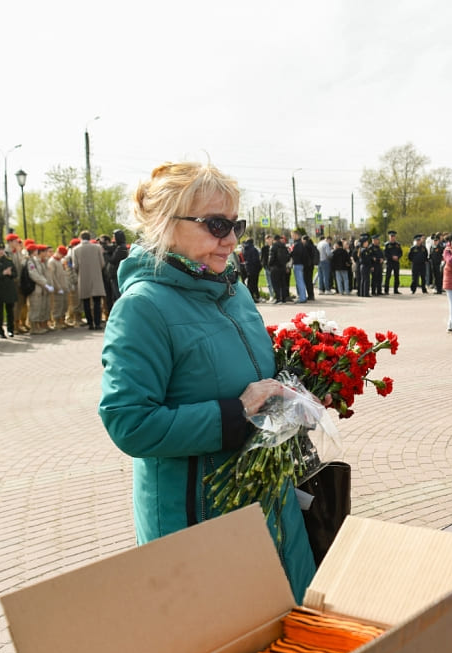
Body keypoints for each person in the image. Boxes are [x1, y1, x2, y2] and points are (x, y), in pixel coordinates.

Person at [99, 161, 315, 602]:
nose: (232, 239)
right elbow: (129, 422)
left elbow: (250, 376)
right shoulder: (143, 307)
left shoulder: (234, 291)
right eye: (217, 225)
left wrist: (292, 394)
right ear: (167, 225)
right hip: (198, 517)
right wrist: (235, 413)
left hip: (268, 506)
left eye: (236, 224)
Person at [73, 231, 108, 330]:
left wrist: (80, 273)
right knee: (97, 301)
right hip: (96, 277)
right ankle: (97, 323)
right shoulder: (97, 247)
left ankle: (90, 323)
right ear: (89, 238)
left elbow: (75, 266)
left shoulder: (76, 249)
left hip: (83, 277)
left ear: (80, 238)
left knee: (86, 302)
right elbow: (102, 263)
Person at [0, 241, 18, 337]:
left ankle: (10, 330)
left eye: (2, 249)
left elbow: (15, 273)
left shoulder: (8, 260)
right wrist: (2, 273)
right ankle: (0, 331)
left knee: (10, 311)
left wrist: (10, 274)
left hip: (9, 289)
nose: (1, 251)